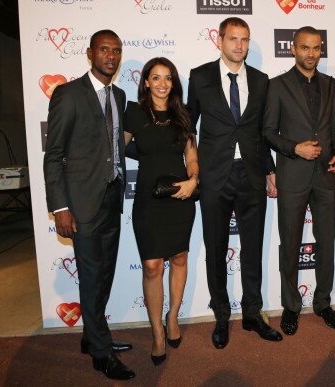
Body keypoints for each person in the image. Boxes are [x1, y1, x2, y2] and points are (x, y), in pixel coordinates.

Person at [43, 30, 135, 380]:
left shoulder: (121, 95)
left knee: (106, 273)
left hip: (112, 198)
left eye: (116, 49)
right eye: (103, 50)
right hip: (80, 204)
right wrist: (60, 206)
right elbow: (53, 157)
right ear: (90, 53)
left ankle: (92, 335)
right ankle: (101, 351)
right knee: (93, 275)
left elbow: (117, 145)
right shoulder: (68, 94)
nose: (110, 56)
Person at [186, 17, 282, 349]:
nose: (239, 45)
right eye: (233, 39)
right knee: (216, 248)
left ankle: (253, 314)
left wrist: (270, 169)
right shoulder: (199, 78)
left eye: (244, 39)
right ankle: (222, 316)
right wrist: (193, 170)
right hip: (214, 178)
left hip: (251, 175)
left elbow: (261, 131)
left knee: (252, 248)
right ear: (219, 40)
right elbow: (188, 128)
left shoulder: (261, 80)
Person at [263, 26, 335, 335]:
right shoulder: (277, 86)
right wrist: (294, 148)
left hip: (325, 175)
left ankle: (323, 303)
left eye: (316, 48)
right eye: (305, 48)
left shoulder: (331, 84)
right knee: (290, 244)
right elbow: (268, 132)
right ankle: (291, 306)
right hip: (292, 175)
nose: (310, 53)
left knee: (326, 242)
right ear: (293, 49)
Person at [123, 57, 198, 365]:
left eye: (168, 78)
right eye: (156, 78)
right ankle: (156, 332)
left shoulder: (183, 114)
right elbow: (115, 150)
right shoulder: (136, 114)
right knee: (152, 266)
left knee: (179, 258)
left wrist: (194, 179)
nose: (163, 83)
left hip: (180, 196)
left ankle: (173, 317)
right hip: (148, 201)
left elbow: (192, 155)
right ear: (146, 83)